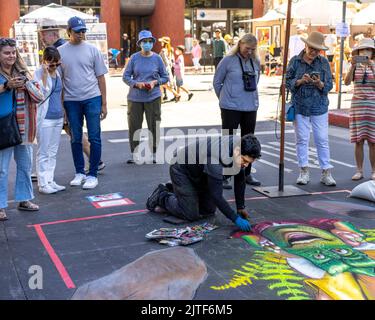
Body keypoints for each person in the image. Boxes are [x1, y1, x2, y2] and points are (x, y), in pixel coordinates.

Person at [145, 134, 261, 232]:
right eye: (244, 161)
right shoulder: (216, 158)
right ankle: (162, 196)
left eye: (249, 162)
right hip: (182, 170)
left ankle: (177, 190)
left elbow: (240, 178)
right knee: (190, 214)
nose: (246, 165)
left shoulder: (241, 145)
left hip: (201, 172)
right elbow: (217, 196)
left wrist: (240, 207)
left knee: (208, 210)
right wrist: (235, 218)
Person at [58, 16, 108, 190]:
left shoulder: (93, 50)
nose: (81, 34)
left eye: (84, 31)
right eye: (78, 31)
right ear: (69, 32)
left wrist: (104, 103)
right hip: (71, 101)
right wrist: (62, 105)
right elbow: (60, 81)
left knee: (94, 137)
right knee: (75, 138)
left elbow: (100, 77)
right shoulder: (61, 51)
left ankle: (93, 174)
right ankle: (79, 172)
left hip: (92, 98)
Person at [286, 31, 336, 186]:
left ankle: (326, 172)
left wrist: (319, 84)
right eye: (311, 48)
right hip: (300, 106)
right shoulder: (294, 61)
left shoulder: (323, 62)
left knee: (322, 139)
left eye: (317, 49)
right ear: (305, 45)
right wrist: (300, 81)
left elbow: (329, 84)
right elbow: (287, 82)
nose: (314, 52)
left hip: (319, 106)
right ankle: (304, 171)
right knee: (302, 139)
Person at [0, 38, 42, 220]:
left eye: (13, 52)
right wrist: (6, 86)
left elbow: (40, 95)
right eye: (6, 52)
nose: (11, 56)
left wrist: (26, 83)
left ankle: (24, 199)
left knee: (25, 164)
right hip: (3, 126)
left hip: (23, 125)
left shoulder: (23, 71)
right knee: (1, 168)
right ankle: (0, 206)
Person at [213, 33, 262, 188]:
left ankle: (246, 174)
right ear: (240, 44)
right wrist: (224, 99)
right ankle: (226, 174)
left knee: (249, 142)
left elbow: (257, 81)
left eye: (252, 49)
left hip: (250, 106)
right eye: (247, 48)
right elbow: (217, 82)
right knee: (228, 140)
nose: (249, 51)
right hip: (230, 107)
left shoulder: (255, 62)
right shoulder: (227, 60)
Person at [123, 30, 169, 164]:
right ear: (140, 43)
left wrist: (155, 82)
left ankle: (154, 152)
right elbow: (125, 77)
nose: (147, 44)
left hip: (153, 96)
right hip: (135, 98)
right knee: (134, 126)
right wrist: (136, 84)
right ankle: (134, 153)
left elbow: (165, 77)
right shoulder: (134, 58)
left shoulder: (157, 58)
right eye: (144, 41)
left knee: (154, 125)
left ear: (153, 43)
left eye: (149, 41)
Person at [33, 47, 66, 194]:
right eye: (51, 64)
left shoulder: (58, 73)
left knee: (53, 152)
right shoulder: (38, 73)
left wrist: (63, 113)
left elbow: (59, 94)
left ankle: (50, 180)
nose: (54, 67)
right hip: (45, 118)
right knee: (43, 152)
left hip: (58, 117)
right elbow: (41, 93)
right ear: (44, 62)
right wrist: (46, 73)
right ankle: (43, 183)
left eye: (57, 64)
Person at [344, 38, 375, 180]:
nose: (365, 52)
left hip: (372, 105)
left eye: (368, 49)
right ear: (358, 52)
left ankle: (374, 171)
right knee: (358, 141)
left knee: (373, 141)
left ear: (372, 52)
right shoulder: (355, 66)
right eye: (363, 50)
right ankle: (359, 171)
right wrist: (352, 66)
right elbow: (346, 82)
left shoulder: (374, 65)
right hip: (357, 105)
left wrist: (372, 66)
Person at [158, 36, 180, 102]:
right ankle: (161, 99)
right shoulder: (170, 49)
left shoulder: (163, 50)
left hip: (165, 69)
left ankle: (176, 94)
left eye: (162, 42)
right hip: (168, 68)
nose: (161, 43)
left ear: (164, 42)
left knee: (163, 84)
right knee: (162, 84)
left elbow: (166, 61)